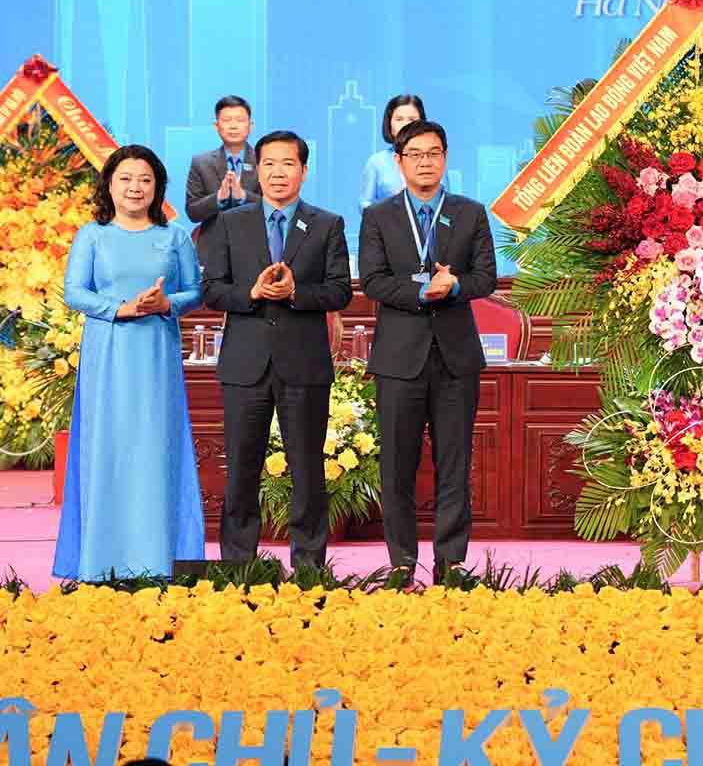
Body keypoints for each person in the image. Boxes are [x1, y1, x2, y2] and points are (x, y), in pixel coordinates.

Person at [201, 130, 353, 569]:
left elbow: (340, 291)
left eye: (288, 164)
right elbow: (212, 290)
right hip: (245, 363)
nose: (278, 172)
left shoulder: (327, 224)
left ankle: (308, 566)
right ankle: (237, 565)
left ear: (304, 171)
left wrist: (295, 293)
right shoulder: (230, 224)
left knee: (307, 472)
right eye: (269, 164)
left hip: (303, 364)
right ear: (256, 170)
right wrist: (250, 292)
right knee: (242, 472)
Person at [55, 145, 204, 580]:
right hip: (109, 355)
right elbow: (74, 292)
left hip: (156, 355)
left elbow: (194, 292)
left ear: (157, 188)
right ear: (109, 184)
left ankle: (158, 560)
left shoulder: (173, 235)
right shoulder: (93, 235)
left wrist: (164, 303)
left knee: (155, 449)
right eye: (126, 178)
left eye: (145, 179)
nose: (135, 187)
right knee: (108, 450)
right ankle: (100, 562)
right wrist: (120, 309)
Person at [358, 120, 498, 580]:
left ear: (445, 157)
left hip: (456, 357)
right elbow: (374, 282)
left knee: (454, 463)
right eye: (415, 154)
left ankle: (451, 562)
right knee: (397, 466)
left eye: (434, 152)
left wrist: (454, 285)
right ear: (398, 162)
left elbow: (487, 278)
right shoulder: (378, 216)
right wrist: (421, 293)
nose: (425, 161)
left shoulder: (471, 212)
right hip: (399, 358)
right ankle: (401, 562)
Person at [184, 96, 260, 229]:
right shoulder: (201, 163)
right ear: (216, 126)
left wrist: (244, 197)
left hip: (256, 243)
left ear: (251, 126)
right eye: (226, 120)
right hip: (214, 245)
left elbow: (275, 206)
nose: (233, 126)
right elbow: (192, 212)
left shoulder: (264, 161)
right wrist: (218, 198)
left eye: (240, 120)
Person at [360, 94, 427, 209]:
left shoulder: (434, 159)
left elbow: (446, 205)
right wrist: (390, 207)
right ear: (389, 124)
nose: (405, 124)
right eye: (399, 119)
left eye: (412, 119)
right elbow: (364, 205)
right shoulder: (376, 162)